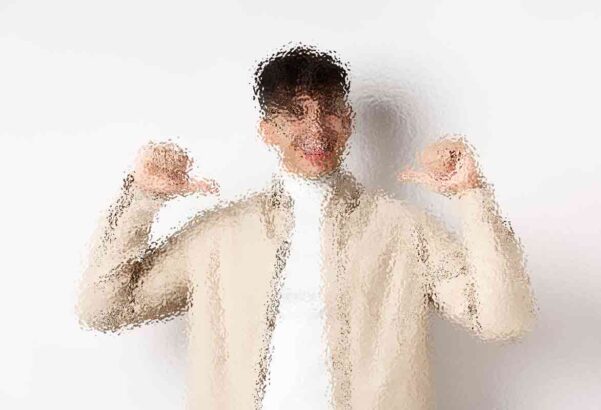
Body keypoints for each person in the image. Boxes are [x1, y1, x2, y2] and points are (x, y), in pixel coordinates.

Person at [76, 45, 537, 410]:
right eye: (295, 112)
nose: (316, 128)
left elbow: (503, 320)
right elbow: (103, 309)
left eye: (329, 109)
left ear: (348, 122)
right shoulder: (220, 234)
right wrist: (142, 199)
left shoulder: (402, 229)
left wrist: (472, 197)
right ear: (268, 130)